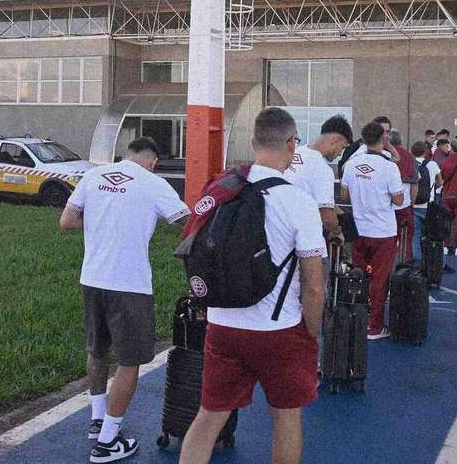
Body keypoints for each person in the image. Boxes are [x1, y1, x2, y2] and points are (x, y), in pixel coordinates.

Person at [179, 108, 326, 464]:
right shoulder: (298, 201)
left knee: (209, 416)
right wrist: (311, 331)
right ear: (292, 144)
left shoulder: (223, 189)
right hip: (280, 330)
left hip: (223, 324)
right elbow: (314, 285)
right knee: (286, 418)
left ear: (253, 143)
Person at [60, 137, 190, 463]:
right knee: (129, 361)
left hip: (92, 279)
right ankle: (107, 442)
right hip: (129, 285)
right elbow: (186, 222)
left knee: (97, 350)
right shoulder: (153, 182)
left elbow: (67, 222)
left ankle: (97, 418)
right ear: (152, 161)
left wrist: (104, 220)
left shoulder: (92, 177)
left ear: (125, 155)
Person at [341, 122, 404, 340]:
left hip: (359, 229)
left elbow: (345, 196)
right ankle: (374, 326)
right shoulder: (389, 167)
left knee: (357, 275)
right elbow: (398, 200)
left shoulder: (352, 164)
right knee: (379, 280)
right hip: (383, 231)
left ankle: (354, 320)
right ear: (383, 139)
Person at [284, 114, 352, 240]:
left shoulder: (295, 152)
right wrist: (337, 231)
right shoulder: (323, 169)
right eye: (342, 147)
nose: (340, 154)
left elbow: (307, 193)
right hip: (300, 237)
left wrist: (337, 210)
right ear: (335, 140)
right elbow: (327, 217)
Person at [390, 129, 419, 263]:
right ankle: (404, 265)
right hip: (404, 204)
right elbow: (414, 185)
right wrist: (412, 204)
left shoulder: (383, 154)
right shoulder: (409, 156)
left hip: (386, 206)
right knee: (406, 238)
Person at [411, 141, 442, 262]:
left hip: (414, 204)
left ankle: (416, 262)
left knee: (415, 235)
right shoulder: (433, 164)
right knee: (431, 236)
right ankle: (432, 262)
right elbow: (440, 182)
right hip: (429, 205)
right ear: (425, 152)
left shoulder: (411, 164)